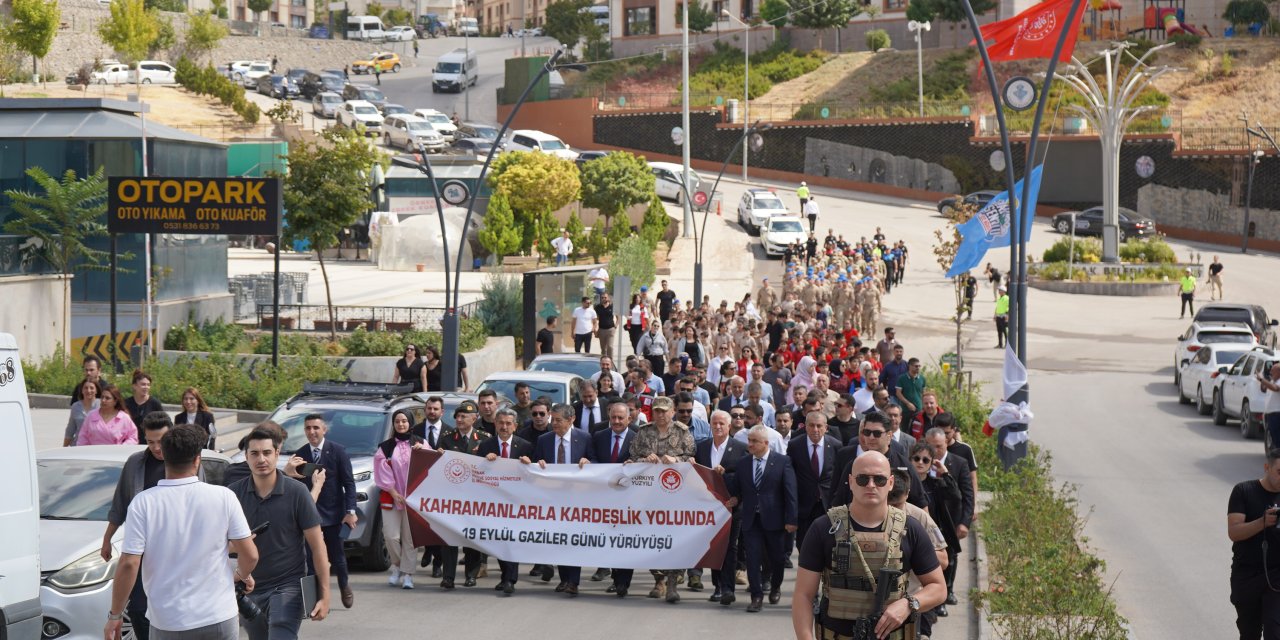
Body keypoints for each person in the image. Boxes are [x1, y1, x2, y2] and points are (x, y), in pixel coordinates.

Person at [104, 424, 258, 640]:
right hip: (219, 616)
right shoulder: (224, 497)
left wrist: (115, 614)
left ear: (164, 456)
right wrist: (241, 575)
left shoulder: (143, 503)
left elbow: (129, 563)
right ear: (198, 459)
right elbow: (250, 554)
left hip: (169, 620)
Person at [792, 451, 946, 640]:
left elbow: (938, 588)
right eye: (863, 479)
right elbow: (803, 595)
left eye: (879, 480)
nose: (871, 485)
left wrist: (909, 604)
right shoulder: (824, 528)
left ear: (890, 483)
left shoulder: (910, 528)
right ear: (850, 481)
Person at [229, 426, 330, 637]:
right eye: (254, 453)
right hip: (249, 589)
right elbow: (217, 543)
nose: (261, 459)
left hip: (288, 586)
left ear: (277, 454)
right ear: (246, 457)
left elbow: (318, 547)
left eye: (267, 453)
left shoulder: (297, 492)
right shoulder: (232, 494)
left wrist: (325, 595)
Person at [101, 413, 177, 639]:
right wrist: (107, 539)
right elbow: (120, 504)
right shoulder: (135, 463)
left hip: (173, 549)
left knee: (167, 608)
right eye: (150, 441)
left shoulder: (184, 461)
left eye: (161, 441)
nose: (156, 447)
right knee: (137, 609)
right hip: (141, 548)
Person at [626, 395, 696, 602]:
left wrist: (676, 459)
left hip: (675, 497)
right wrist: (644, 460)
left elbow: (691, 457)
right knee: (651, 538)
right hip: (648, 497)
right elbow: (632, 457)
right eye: (657, 410)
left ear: (673, 412)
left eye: (665, 411)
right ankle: (658, 580)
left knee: (673, 540)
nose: (661, 414)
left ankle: (673, 583)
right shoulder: (644, 432)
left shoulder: (682, 432)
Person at [286, 414, 358, 609]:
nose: (312, 432)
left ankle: (344, 586)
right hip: (310, 516)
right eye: (308, 428)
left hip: (335, 515)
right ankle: (314, 598)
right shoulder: (300, 455)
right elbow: (294, 487)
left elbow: (349, 484)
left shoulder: (337, 451)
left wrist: (351, 511)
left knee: (338, 556)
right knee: (310, 559)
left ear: (324, 429)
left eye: (316, 428)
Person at [524, 403, 595, 595]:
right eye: (552, 419)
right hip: (553, 499)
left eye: (558, 420)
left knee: (575, 539)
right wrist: (537, 464)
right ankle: (564, 579)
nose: (553, 423)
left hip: (577, 498)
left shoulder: (584, 438)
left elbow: (597, 463)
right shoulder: (544, 439)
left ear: (571, 419)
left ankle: (574, 581)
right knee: (560, 540)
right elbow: (535, 463)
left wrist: (588, 462)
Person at [726, 424, 798, 612]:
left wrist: (792, 519)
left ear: (766, 443)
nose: (750, 444)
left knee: (777, 559)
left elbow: (790, 492)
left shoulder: (782, 462)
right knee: (752, 558)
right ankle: (756, 596)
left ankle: (775, 586)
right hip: (751, 520)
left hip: (775, 519)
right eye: (749, 440)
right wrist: (735, 498)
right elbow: (737, 489)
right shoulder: (743, 463)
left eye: (754, 441)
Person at [477, 408, 532, 595]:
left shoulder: (525, 447)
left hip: (517, 504)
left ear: (515, 426)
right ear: (495, 424)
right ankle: (505, 576)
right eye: (501, 423)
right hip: (494, 503)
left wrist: (529, 464)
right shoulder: (486, 446)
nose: (504, 427)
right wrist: (485, 462)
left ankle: (510, 579)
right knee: (499, 541)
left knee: (511, 541)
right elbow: (477, 474)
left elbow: (535, 475)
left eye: (509, 423)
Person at [1226, 447, 1280, 639]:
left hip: (1276, 576)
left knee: (1275, 631)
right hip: (1246, 575)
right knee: (1249, 633)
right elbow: (1234, 532)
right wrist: (1262, 522)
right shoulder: (1243, 491)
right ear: (1267, 467)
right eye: (1279, 472)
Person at [696, 410, 748, 604]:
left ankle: (727, 588)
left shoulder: (741, 448)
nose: (718, 427)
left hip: (732, 507)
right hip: (708, 509)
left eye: (721, 424)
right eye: (714, 423)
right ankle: (718, 586)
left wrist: (738, 497)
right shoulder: (701, 448)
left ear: (729, 426)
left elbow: (745, 478)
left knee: (729, 548)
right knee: (714, 547)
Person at [438, 400, 491, 588]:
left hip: (475, 498)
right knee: (449, 539)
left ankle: (471, 575)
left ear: (474, 418)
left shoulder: (484, 438)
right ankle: (448, 577)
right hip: (452, 498)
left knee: (472, 539)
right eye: (457, 416)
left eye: (463, 416)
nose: (459, 420)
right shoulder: (446, 438)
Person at [375, 409, 423, 589]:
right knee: (391, 536)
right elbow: (381, 471)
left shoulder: (420, 443)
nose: (401, 424)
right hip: (392, 497)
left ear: (410, 422)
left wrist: (422, 452)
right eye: (397, 421)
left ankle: (408, 574)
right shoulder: (385, 447)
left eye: (404, 421)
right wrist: (394, 492)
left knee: (410, 538)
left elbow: (431, 463)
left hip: (413, 500)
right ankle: (397, 566)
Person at [787, 412, 839, 554]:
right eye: (811, 425)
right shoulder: (794, 446)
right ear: (805, 426)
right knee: (804, 545)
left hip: (826, 505)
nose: (815, 429)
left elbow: (838, 476)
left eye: (819, 426)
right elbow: (790, 477)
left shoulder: (835, 445)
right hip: (804, 505)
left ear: (826, 427)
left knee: (827, 545)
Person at [125, 369, 164, 442]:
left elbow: (165, 423)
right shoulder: (126, 403)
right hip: (129, 442)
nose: (146, 387)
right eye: (143, 384)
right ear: (134, 386)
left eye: (148, 385)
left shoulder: (155, 403)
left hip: (149, 443)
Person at [65, 377, 100, 446]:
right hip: (78, 446)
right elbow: (70, 430)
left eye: (92, 388)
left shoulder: (102, 405)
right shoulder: (75, 406)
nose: (88, 390)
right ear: (82, 390)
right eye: (86, 388)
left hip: (96, 447)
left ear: (96, 390)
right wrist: (64, 448)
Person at [1258, 363, 1280, 449]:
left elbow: (1275, 388)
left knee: (1277, 436)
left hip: (1277, 413)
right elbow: (1264, 388)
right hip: (1270, 413)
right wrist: (1261, 378)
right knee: (1273, 434)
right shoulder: (1273, 381)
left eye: (1273, 372)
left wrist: (1261, 379)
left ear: (1279, 372)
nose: (1271, 373)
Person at [596, 292, 616, 359]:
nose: (604, 299)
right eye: (602, 298)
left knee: (610, 346)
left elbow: (618, 317)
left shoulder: (612, 307)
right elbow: (596, 318)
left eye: (605, 297)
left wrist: (616, 325)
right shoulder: (598, 307)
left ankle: (610, 360)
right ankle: (604, 361)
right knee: (603, 348)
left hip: (610, 329)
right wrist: (595, 329)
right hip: (601, 330)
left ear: (608, 298)